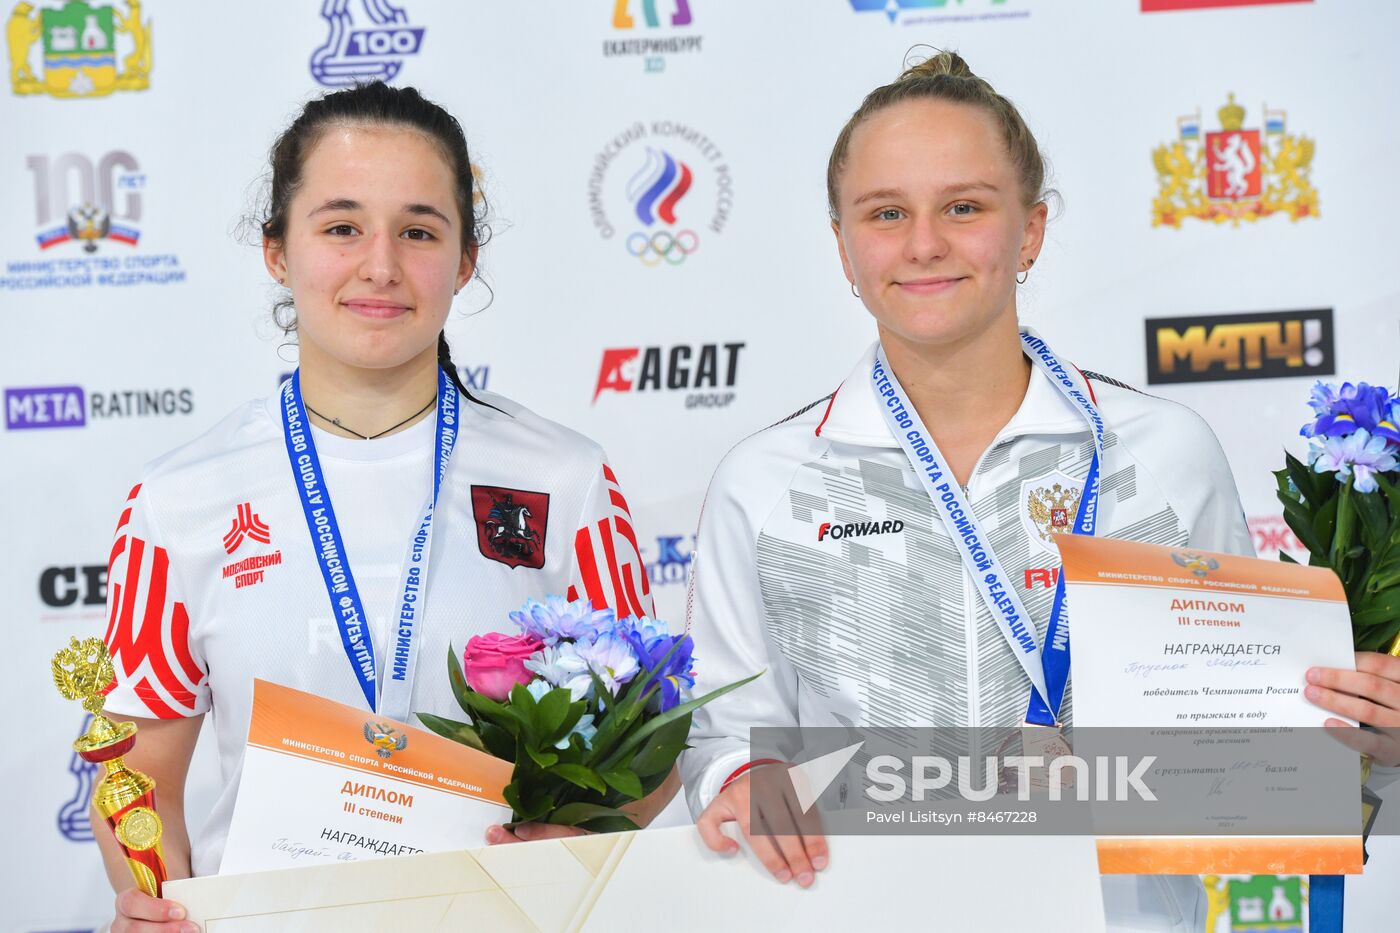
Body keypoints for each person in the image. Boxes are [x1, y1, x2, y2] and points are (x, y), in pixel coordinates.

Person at [678, 51, 1400, 930]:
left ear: (1030, 232)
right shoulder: (768, 480)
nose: (924, 243)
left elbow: (1246, 749)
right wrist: (741, 777)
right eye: (886, 213)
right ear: (843, 246)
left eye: (965, 207)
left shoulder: (1164, 452)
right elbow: (719, 734)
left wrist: (1369, 742)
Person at [97, 82, 669, 932]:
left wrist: (571, 848)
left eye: (418, 230)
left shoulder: (566, 480)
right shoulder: (179, 499)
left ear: (465, 259)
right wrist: (157, 904)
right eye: (340, 227)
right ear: (277, 254)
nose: (380, 266)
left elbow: (649, 745)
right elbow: (136, 771)